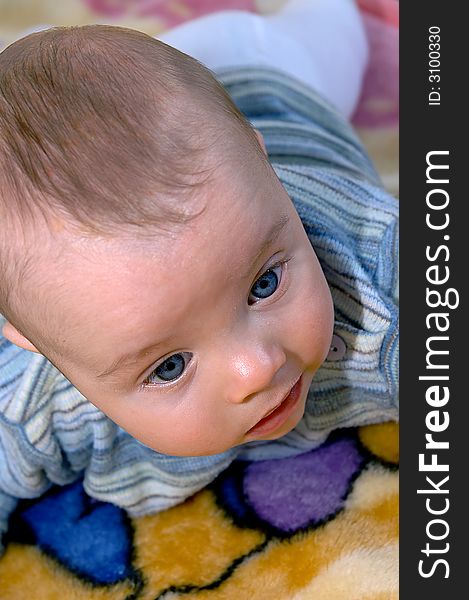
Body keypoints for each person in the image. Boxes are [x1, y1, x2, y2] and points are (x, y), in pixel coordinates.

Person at [0, 0, 398, 552]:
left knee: (335, 31)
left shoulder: (381, 280)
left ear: (267, 172)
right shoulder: (31, 404)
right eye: (169, 367)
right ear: (34, 342)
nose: (256, 369)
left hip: (271, 79)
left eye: (264, 284)